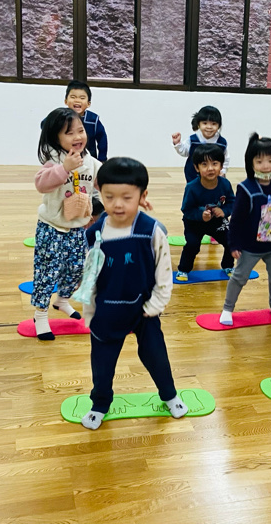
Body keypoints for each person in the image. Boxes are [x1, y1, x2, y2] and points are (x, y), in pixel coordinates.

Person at [80, 158, 186, 430]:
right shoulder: (94, 234)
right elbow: (89, 278)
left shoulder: (151, 231)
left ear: (142, 196)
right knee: (102, 363)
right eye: (109, 197)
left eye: (127, 197)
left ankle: (170, 395)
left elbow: (164, 271)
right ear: (99, 193)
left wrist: (155, 305)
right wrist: (90, 312)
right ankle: (99, 404)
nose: (117, 204)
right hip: (107, 310)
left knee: (156, 356)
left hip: (144, 310)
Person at [31, 108, 102, 340]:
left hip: (77, 228)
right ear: (56, 138)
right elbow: (41, 184)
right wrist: (64, 169)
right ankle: (40, 314)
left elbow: (106, 181)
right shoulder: (53, 161)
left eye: (80, 130)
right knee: (47, 272)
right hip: (51, 227)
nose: (77, 137)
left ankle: (61, 300)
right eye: (69, 133)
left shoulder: (91, 163)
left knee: (77, 269)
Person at [220, 134, 271, 326]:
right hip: (250, 246)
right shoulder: (246, 188)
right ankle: (227, 309)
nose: (265, 165)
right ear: (250, 164)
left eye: (270, 160)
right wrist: (233, 244)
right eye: (259, 161)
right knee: (239, 278)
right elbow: (236, 219)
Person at [175, 143, 235, 280]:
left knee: (231, 240)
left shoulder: (225, 184)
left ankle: (228, 265)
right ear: (197, 168)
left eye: (215, 164)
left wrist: (224, 211)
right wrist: (200, 215)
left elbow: (232, 202)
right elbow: (187, 209)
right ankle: (183, 269)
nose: (210, 168)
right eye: (204, 164)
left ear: (221, 166)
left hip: (217, 221)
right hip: (194, 222)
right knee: (192, 245)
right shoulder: (192, 187)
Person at [171, 105, 227, 182]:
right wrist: (177, 143)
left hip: (213, 175)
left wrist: (223, 171)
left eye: (213, 124)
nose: (209, 127)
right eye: (205, 123)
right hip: (193, 175)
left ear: (219, 126)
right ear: (198, 124)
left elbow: (225, 158)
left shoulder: (222, 143)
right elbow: (184, 152)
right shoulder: (193, 140)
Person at [61, 80, 108, 161]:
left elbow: (102, 139)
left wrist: (102, 158)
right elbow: (45, 124)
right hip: (65, 160)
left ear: (88, 103)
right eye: (73, 97)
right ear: (66, 101)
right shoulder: (60, 116)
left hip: (89, 160)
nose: (77, 100)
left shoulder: (93, 120)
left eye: (82, 98)